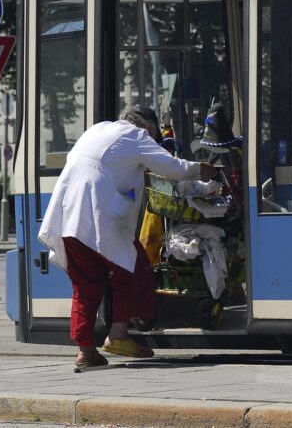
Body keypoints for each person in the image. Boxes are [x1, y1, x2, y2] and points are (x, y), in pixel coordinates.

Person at [38, 105, 217, 371]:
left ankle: (86, 352)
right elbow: (171, 167)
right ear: (148, 127)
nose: (153, 141)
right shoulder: (136, 136)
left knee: (86, 285)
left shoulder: (97, 130)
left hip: (68, 219)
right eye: (154, 135)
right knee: (134, 269)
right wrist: (201, 170)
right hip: (99, 218)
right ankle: (119, 334)